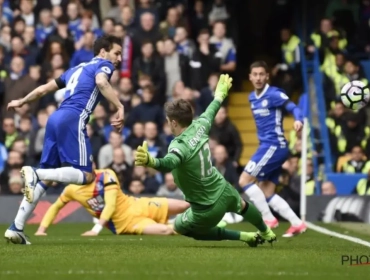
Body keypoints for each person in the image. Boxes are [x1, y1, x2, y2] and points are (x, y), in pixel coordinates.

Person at [5, 35, 124, 245]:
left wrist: (22, 101)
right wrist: (119, 106)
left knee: (45, 181)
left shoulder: (75, 69)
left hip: (54, 120)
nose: (120, 58)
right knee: (87, 175)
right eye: (117, 52)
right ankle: (35, 172)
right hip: (73, 119)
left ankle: (17, 227)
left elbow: (43, 89)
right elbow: (100, 82)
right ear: (103, 52)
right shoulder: (103, 65)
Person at [135, 74, 276, 247]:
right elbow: (212, 109)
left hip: (205, 208)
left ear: (173, 122)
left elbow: (169, 163)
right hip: (224, 190)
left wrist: (151, 161)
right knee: (243, 205)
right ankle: (266, 231)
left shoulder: (178, 145)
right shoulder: (201, 124)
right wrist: (219, 96)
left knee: (180, 226)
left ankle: (243, 236)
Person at [239, 61, 307, 237]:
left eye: (262, 74)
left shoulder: (275, 94)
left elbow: (293, 107)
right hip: (268, 146)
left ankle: (268, 218)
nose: (259, 78)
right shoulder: (252, 97)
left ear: (267, 76)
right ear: (250, 77)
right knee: (266, 190)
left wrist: (298, 119)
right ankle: (297, 223)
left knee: (244, 181)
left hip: (274, 145)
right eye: (255, 74)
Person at [34, 169, 190, 237]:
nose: (91, 169)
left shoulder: (106, 175)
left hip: (138, 204)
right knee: (166, 231)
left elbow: (110, 205)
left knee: (184, 205)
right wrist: (41, 229)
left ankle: (211, 213)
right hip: (126, 224)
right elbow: (55, 207)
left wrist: (96, 230)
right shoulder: (71, 189)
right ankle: (195, 225)